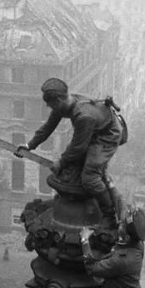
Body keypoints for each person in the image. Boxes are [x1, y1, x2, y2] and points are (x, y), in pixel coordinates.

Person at [15, 78, 125, 224]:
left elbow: (78, 146)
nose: (48, 106)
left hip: (106, 135)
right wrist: (30, 145)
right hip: (93, 129)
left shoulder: (83, 116)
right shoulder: (65, 104)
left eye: (49, 103)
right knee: (76, 166)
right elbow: (48, 127)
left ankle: (108, 213)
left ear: (59, 100)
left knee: (90, 177)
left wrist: (61, 162)